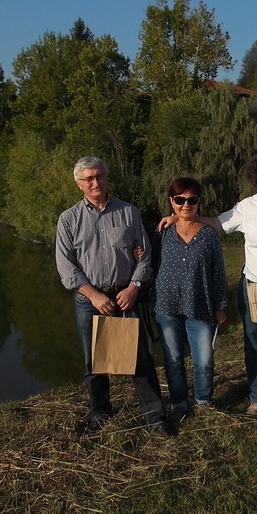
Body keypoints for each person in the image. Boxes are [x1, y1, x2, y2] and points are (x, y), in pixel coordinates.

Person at [160, 148, 257, 416]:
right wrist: (180, 215)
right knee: (254, 346)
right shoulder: (246, 207)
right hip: (256, 286)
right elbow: (215, 224)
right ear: (256, 177)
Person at [55, 156, 171, 436]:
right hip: (90, 300)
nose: (95, 183)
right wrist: (94, 295)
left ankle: (155, 418)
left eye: (99, 176)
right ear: (78, 183)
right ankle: (100, 414)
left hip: (125, 297)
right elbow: (65, 265)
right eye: (88, 179)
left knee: (141, 359)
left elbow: (145, 255)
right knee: (94, 362)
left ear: (107, 178)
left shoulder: (128, 212)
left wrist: (134, 287)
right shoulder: (69, 219)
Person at [150, 177, 228, 423]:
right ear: (172, 201)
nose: (186, 205)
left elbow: (218, 272)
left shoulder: (209, 235)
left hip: (200, 305)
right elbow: (150, 266)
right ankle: (179, 402)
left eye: (191, 199)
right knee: (173, 360)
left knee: (204, 360)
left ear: (198, 201)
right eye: (180, 199)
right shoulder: (162, 234)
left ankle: (203, 400)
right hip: (166, 306)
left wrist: (220, 307)